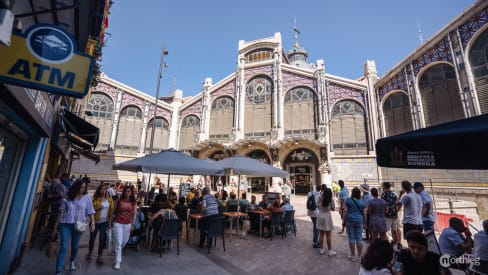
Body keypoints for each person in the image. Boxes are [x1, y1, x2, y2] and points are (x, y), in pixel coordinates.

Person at [55, 179, 95, 275]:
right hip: (66, 223)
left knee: (75, 245)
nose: (82, 189)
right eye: (81, 187)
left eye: (84, 187)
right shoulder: (68, 196)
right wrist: (55, 227)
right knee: (64, 246)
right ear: (76, 186)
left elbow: (90, 211)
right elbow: (61, 212)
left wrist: (92, 223)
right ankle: (58, 271)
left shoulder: (87, 198)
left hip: (79, 225)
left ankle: (72, 260)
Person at [86, 183, 115, 264]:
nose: (103, 191)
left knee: (102, 239)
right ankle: (90, 252)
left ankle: (99, 256)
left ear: (106, 190)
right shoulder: (95, 199)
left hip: (104, 222)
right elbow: (90, 211)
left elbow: (111, 212)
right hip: (95, 222)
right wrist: (98, 208)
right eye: (101, 189)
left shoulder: (109, 199)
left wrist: (109, 223)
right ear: (99, 190)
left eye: (105, 189)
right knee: (92, 238)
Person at [112, 186, 137, 270]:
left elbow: (134, 214)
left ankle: (116, 251)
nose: (127, 193)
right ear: (124, 192)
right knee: (119, 242)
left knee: (124, 241)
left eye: (129, 191)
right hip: (118, 223)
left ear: (131, 193)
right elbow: (113, 211)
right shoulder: (119, 200)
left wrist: (133, 224)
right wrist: (109, 222)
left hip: (127, 224)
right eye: (126, 191)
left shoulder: (133, 202)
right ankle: (118, 261)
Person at [343, 187, 366, 262]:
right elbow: (365, 213)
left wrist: (343, 221)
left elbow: (345, 211)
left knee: (351, 238)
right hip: (359, 220)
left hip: (350, 220)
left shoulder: (348, 200)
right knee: (359, 238)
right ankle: (359, 257)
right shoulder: (362, 202)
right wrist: (365, 222)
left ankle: (353, 255)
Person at [317, 184, 336, 256]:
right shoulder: (331, 199)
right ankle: (330, 251)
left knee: (321, 234)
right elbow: (333, 209)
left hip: (320, 216)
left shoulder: (320, 197)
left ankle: (321, 249)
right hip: (327, 217)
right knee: (328, 235)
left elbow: (317, 205)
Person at [380, 182, 401, 250]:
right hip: (395, 215)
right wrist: (396, 211)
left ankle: (386, 246)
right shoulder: (394, 194)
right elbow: (399, 204)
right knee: (394, 231)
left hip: (387, 215)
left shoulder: (383, 194)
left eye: (383, 186)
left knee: (384, 232)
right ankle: (395, 246)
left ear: (385, 187)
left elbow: (383, 205)